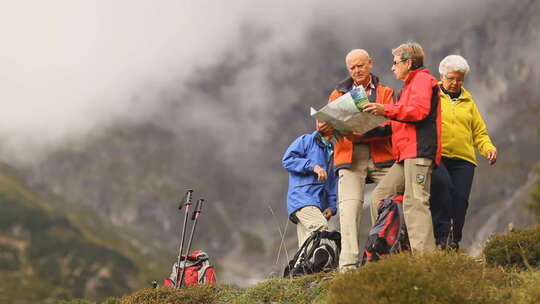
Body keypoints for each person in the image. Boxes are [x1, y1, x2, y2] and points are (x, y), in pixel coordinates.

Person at [318, 49, 395, 271]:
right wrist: (323, 128)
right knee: (349, 209)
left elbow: (393, 123)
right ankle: (348, 266)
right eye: (352, 67)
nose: (356, 71)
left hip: (381, 155)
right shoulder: (337, 95)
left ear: (370, 63)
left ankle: (384, 258)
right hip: (349, 158)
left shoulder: (386, 92)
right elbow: (327, 132)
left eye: (360, 66)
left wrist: (364, 130)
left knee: (391, 202)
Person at [363, 42, 441, 253]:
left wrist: (384, 109)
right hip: (404, 155)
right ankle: (387, 250)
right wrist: (366, 130)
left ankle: (424, 261)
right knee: (379, 197)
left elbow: (418, 111)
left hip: (419, 152)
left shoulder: (423, 80)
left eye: (395, 63)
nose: (392, 67)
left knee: (415, 202)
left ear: (408, 62)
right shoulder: (408, 87)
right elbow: (399, 120)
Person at [430, 55, 497, 249]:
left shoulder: (468, 101)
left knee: (460, 200)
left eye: (459, 79)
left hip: (463, 160)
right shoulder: (431, 95)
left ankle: (454, 241)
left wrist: (489, 149)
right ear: (442, 76)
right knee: (443, 189)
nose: (455, 83)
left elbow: (479, 132)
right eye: (451, 78)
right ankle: (440, 238)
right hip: (437, 156)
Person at [282, 130, 337, 248]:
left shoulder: (332, 150)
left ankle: (300, 266)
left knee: (306, 245)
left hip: (317, 204)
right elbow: (287, 160)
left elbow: (332, 181)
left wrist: (331, 206)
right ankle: (324, 266)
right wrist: (313, 166)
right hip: (302, 198)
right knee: (321, 228)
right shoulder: (307, 140)